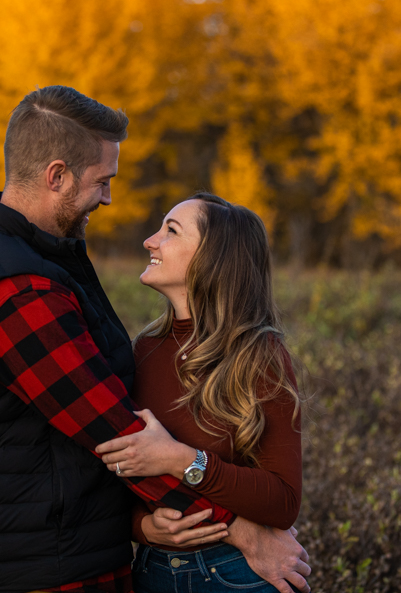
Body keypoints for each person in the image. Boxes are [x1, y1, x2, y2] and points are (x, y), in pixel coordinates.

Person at [0, 85, 310, 593]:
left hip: (78, 560)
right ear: (56, 176)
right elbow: (117, 435)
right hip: (36, 572)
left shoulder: (47, 266)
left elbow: (112, 453)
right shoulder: (15, 290)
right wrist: (241, 533)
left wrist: (157, 509)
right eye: (102, 181)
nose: (108, 198)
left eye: (171, 232)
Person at [95, 193, 305, 592]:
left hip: (235, 574)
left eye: (170, 231)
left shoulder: (257, 355)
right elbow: (124, 469)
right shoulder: (145, 350)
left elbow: (282, 501)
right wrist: (143, 527)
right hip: (152, 571)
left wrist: (184, 460)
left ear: (212, 259)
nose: (149, 241)